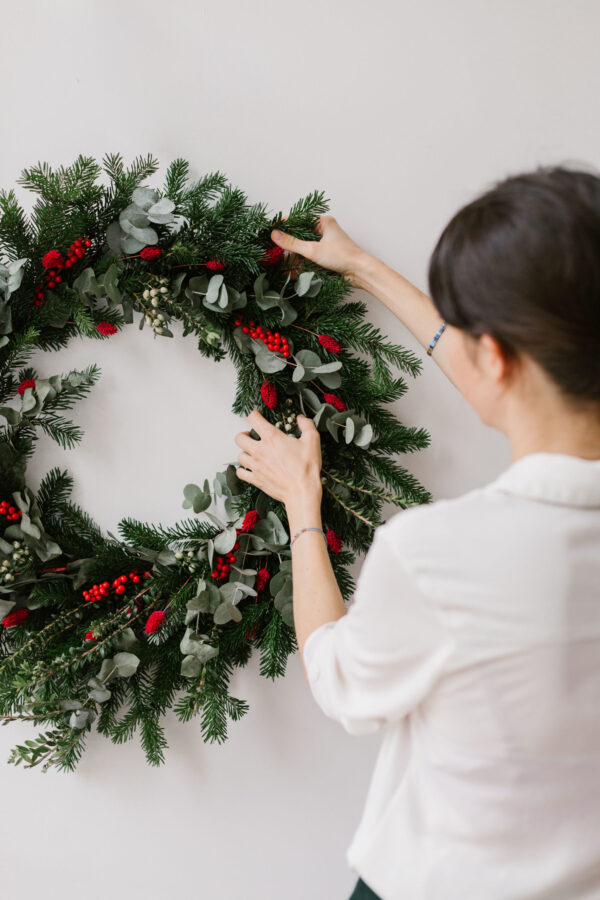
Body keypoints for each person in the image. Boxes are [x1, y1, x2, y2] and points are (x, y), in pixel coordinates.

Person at [233, 165, 600, 900]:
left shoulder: (440, 554)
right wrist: (364, 268)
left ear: (495, 353)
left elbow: (337, 677)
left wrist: (302, 499)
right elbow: (509, 393)